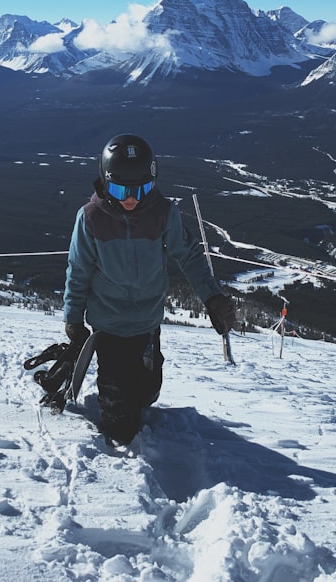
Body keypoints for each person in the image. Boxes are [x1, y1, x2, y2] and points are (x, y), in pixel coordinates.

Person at [53, 133, 236, 446]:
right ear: (105, 181)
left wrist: (213, 297)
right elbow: (78, 271)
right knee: (121, 428)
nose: (131, 198)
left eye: (142, 189)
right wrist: (73, 320)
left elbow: (190, 256)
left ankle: (131, 393)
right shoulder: (91, 219)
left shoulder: (162, 213)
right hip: (107, 328)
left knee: (147, 392)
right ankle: (110, 400)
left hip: (147, 324)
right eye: (120, 189)